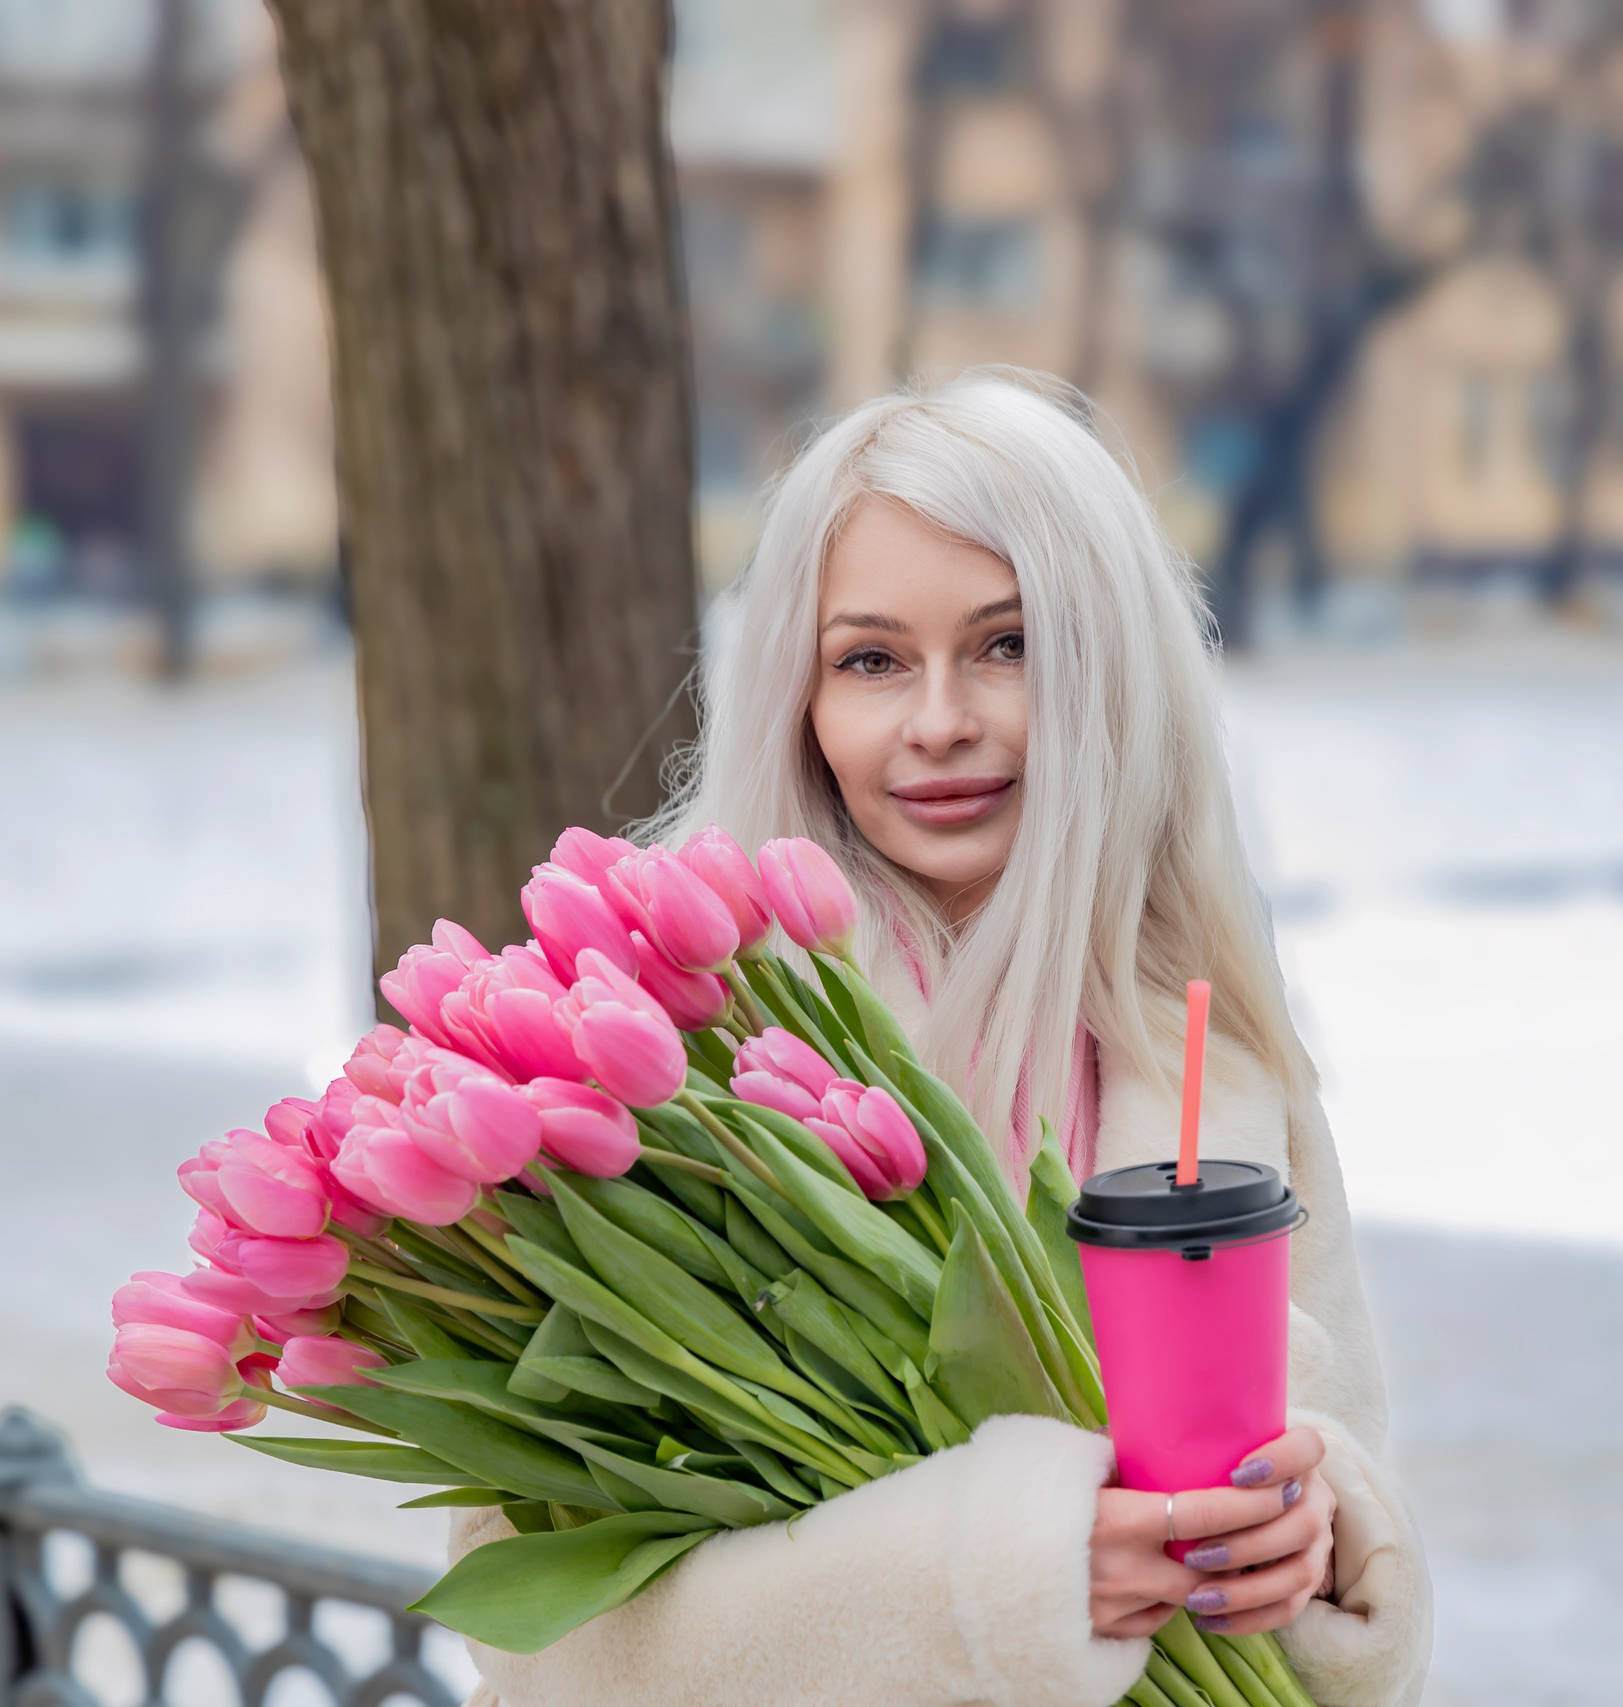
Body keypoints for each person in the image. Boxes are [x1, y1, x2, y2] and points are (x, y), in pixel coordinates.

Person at [450, 371, 1431, 1706]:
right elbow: (538, 1640)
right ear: (798, 697)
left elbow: (1353, 1520)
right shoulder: (672, 1064)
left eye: (1006, 644)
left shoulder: (1219, 1060)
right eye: (870, 660)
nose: (939, 722)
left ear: (1110, 663)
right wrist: (1002, 1588)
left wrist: (1311, 1549)